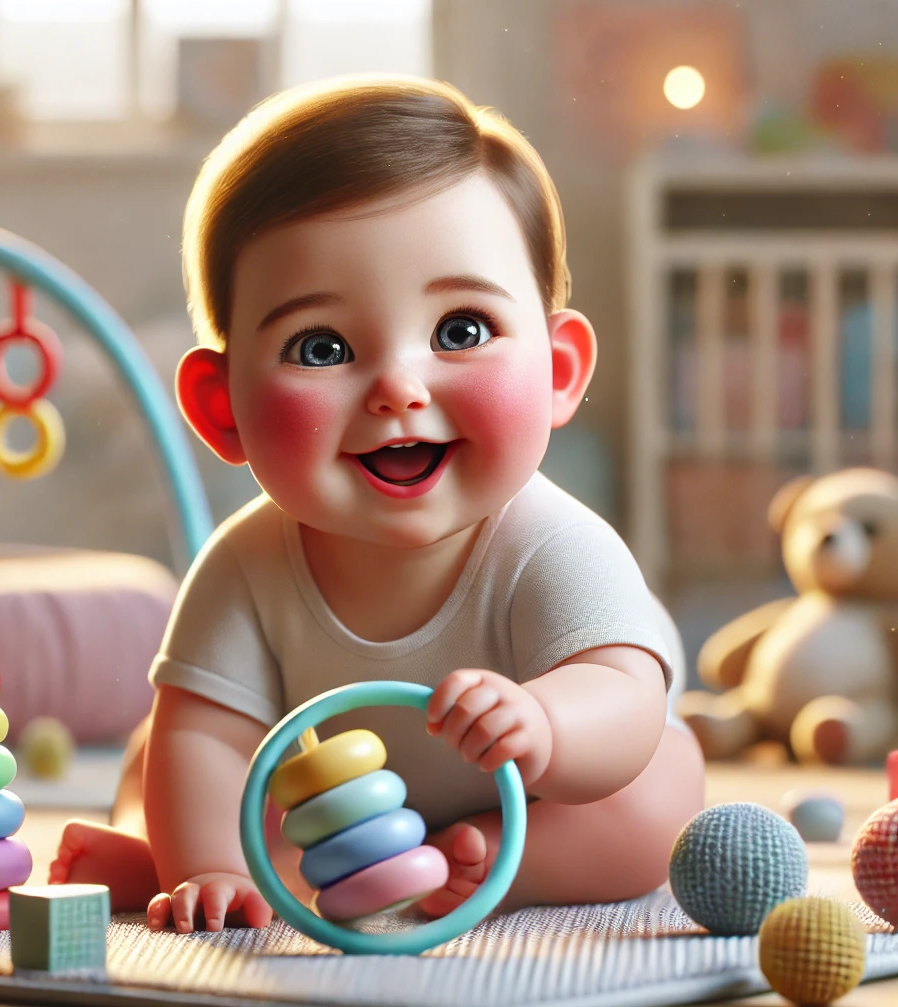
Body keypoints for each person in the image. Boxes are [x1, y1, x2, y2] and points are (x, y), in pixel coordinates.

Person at [50, 74, 705, 934]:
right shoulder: (246, 566)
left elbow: (622, 698)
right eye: (321, 346)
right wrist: (208, 867)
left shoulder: (552, 545)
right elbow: (206, 740)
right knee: (164, 759)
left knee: (661, 786)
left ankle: (496, 870)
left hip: (533, 801)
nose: (399, 387)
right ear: (223, 409)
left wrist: (545, 719)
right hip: (326, 804)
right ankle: (216, 868)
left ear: (558, 371)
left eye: (460, 331)